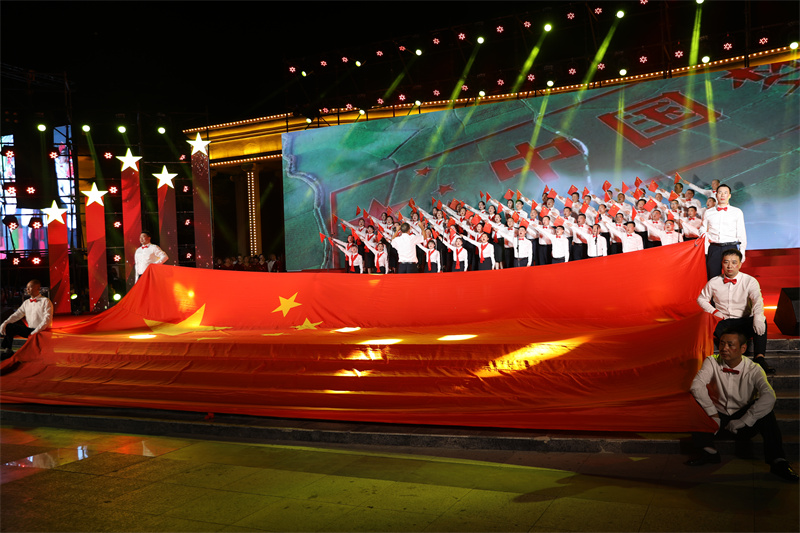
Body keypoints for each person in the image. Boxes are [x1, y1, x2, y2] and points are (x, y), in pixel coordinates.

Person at [686, 331, 798, 483]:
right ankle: (709, 452)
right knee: (693, 401)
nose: (724, 348)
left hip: (743, 423)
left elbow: (769, 396)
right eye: (722, 343)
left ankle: (778, 461)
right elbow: (696, 386)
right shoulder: (712, 361)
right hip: (717, 420)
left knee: (766, 411)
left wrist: (744, 420)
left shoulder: (754, 369)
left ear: (743, 348)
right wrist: (712, 413)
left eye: (730, 345)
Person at [697, 248, 774, 373]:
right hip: (723, 322)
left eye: (734, 262)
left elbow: (757, 300)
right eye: (726, 262)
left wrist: (758, 317)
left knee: (761, 320)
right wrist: (715, 312)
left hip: (744, 321)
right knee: (704, 322)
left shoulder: (750, 281)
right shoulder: (714, 282)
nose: (730, 266)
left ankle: (759, 358)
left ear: (740, 264)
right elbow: (701, 299)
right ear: (722, 263)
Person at [700, 184, 746, 280]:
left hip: (731, 247)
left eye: (725, 193)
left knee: (731, 276)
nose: (722, 195)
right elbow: (703, 228)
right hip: (714, 248)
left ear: (729, 195)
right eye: (720, 192)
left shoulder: (737, 212)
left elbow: (741, 233)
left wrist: (742, 251)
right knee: (712, 277)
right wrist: (704, 235)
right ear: (716, 195)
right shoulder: (708, 212)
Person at [1, 280, 53, 359]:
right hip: (30, 330)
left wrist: (36, 331)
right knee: (9, 326)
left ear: (38, 288)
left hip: (42, 331)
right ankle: (8, 350)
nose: (27, 289)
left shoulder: (45, 301)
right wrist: (5, 323)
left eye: (30, 287)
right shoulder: (26, 302)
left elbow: (47, 319)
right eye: (27, 287)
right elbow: (17, 315)